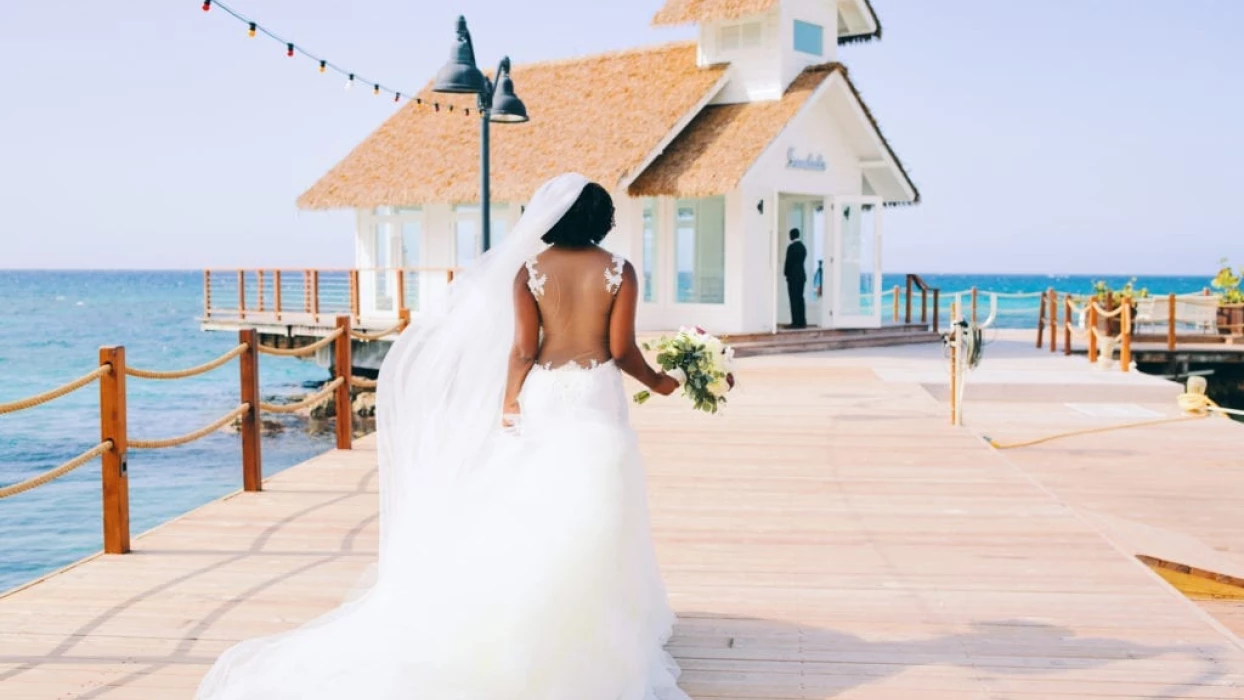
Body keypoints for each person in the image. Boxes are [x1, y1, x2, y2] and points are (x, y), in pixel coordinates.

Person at [196, 174, 686, 699]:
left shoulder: (528, 272)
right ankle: (598, 623)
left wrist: (509, 402)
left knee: (535, 503)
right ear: (602, 219)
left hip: (543, 394)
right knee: (598, 507)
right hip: (593, 395)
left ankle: (530, 613)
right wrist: (662, 383)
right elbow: (622, 349)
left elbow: (523, 349)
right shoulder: (619, 271)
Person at [784, 228, 808, 328]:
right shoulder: (803, 247)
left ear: (792, 235)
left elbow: (788, 262)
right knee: (800, 298)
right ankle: (802, 321)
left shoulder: (791, 247)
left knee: (793, 299)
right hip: (801, 276)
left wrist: (786, 273)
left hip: (793, 277)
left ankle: (795, 322)